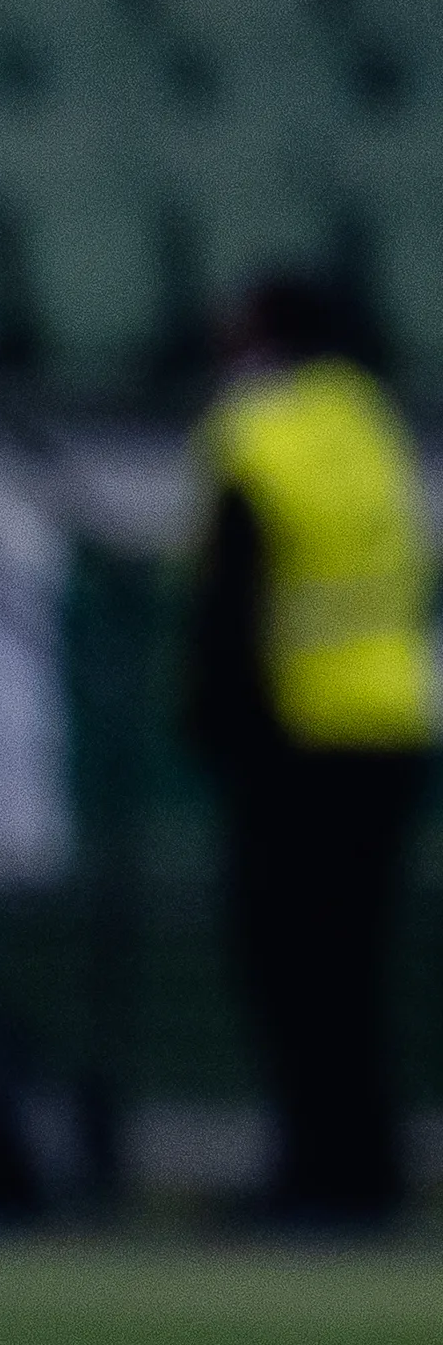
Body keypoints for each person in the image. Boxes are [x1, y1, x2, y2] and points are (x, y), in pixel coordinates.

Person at [180, 271, 433, 1228]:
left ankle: (311, 1174)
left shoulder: (255, 432)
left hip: (292, 739)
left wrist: (213, 726)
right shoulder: (374, 425)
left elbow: (230, 603)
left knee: (285, 969)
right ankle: (366, 1172)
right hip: (391, 725)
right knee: (355, 970)